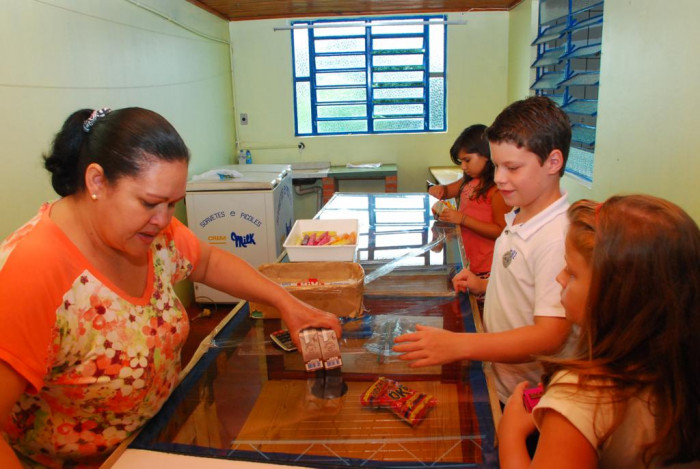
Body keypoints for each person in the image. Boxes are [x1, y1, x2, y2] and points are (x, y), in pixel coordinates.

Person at [0, 107, 341, 468]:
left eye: (172, 204)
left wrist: (287, 303)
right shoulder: (30, 271)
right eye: (149, 203)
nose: (164, 220)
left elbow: (208, 262)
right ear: (97, 182)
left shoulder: (151, 231)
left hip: (155, 439)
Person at [394, 96, 573, 405]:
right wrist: (484, 285)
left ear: (553, 162)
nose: (499, 178)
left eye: (512, 167)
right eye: (497, 165)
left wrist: (461, 345)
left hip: (528, 396)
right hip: (500, 375)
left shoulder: (557, 237)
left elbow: (550, 336)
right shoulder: (521, 215)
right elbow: (523, 283)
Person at [498, 195, 700, 468]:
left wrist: (510, 433)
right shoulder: (679, 368)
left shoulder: (578, 395)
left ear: (614, 297)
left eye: (571, 272)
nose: (559, 278)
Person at [428, 124, 510, 305]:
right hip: (468, 259)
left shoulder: (496, 191)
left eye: (467, 160)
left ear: (487, 155)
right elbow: (449, 190)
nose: (463, 167)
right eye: (461, 162)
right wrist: (440, 190)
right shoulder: (469, 180)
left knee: (479, 308)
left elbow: (501, 231)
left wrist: (462, 219)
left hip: (486, 267)